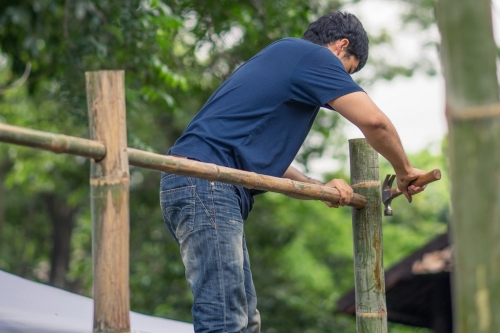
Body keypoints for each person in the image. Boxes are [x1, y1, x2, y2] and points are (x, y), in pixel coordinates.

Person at [159, 10, 426, 333]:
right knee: (225, 319)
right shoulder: (313, 56)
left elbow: (262, 157)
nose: (343, 79)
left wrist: (316, 186)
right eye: (348, 70)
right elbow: (374, 122)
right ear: (342, 46)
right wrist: (405, 170)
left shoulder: (285, 60)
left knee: (244, 321)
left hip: (207, 182)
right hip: (206, 181)